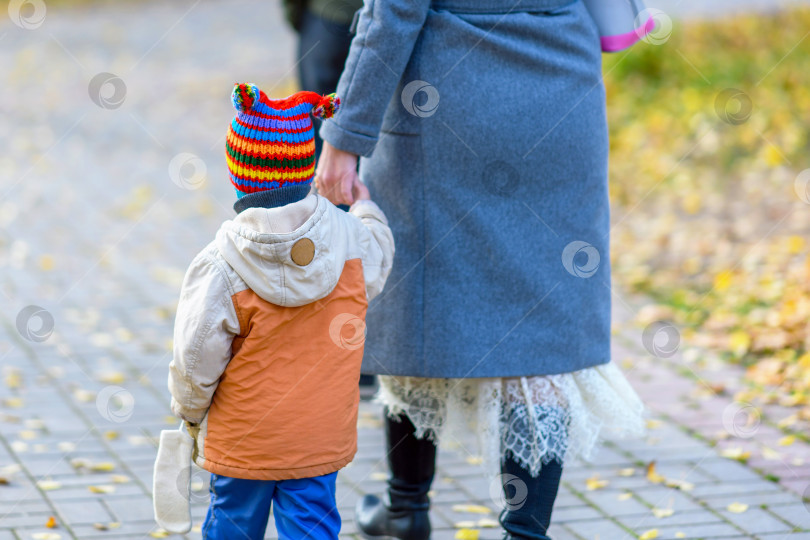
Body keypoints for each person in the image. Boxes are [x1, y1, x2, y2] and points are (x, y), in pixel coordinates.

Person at [314, 1, 653, 538]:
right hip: (561, 93)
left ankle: (407, 509)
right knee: (540, 321)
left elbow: (391, 12)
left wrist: (345, 134)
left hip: (448, 104)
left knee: (415, 301)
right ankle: (524, 531)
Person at [167, 83, 395, 539]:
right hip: (317, 438)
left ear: (239, 174)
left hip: (244, 440)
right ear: (307, 167)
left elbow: (195, 356)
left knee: (232, 523)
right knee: (311, 527)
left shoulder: (220, 263)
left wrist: (189, 412)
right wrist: (364, 206)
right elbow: (380, 258)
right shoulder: (350, 240)